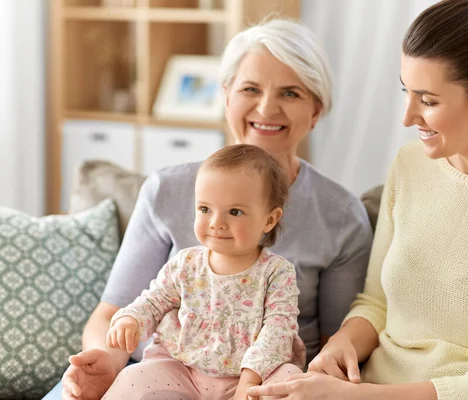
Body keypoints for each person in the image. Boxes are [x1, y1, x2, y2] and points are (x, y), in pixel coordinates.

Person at [248, 1, 468, 399]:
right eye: (406, 91)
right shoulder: (412, 163)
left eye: (428, 101)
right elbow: (377, 303)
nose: (407, 117)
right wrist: (343, 342)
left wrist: (351, 397)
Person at [53, 18, 373, 400]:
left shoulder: (340, 215)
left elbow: (335, 342)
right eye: (250, 89)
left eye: (290, 93)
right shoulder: (165, 191)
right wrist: (107, 358)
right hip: (164, 375)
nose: (267, 108)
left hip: (265, 381)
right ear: (226, 97)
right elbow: (117, 310)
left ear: (316, 110)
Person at [102, 144, 304, 400]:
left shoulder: (277, 273)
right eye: (205, 209)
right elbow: (154, 300)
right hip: (183, 368)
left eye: (235, 212)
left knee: (289, 381)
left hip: (250, 374)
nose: (216, 223)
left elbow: (278, 330)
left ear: (269, 219)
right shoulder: (186, 263)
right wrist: (130, 319)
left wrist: (251, 379)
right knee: (133, 379)